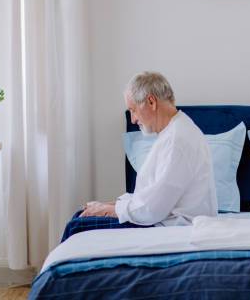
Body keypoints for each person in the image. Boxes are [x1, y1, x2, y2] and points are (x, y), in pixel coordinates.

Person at [61, 71, 217, 241]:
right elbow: (151, 196)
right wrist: (108, 206)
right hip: (161, 217)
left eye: (133, 110)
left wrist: (108, 210)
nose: (133, 119)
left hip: (173, 225)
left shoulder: (177, 140)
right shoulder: (173, 131)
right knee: (81, 215)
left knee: (77, 226)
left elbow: (152, 209)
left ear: (151, 101)